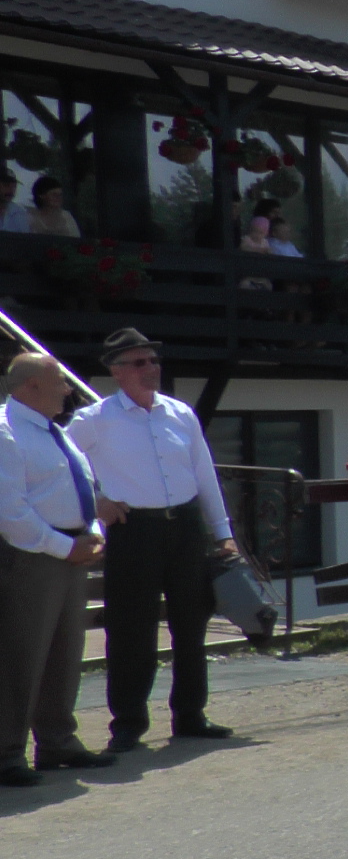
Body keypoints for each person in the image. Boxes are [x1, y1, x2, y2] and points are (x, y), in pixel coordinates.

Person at [68, 328, 239, 751]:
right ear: (116, 370)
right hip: (133, 530)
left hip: (184, 526)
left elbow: (204, 475)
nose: (152, 369)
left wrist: (223, 533)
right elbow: (61, 469)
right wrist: (96, 501)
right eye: (140, 362)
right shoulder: (94, 419)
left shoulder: (180, 413)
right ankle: (128, 722)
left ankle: (190, 714)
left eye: (154, 361)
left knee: (191, 624)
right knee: (131, 630)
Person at [0, 352, 113, 786]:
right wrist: (65, 547)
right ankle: (7, 752)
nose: (69, 389)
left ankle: (57, 741)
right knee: (20, 656)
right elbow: (11, 512)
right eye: (60, 382)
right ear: (31, 388)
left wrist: (94, 531)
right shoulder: (7, 434)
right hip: (34, 557)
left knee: (64, 654)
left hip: (71, 552)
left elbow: (87, 487)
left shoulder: (55, 433)